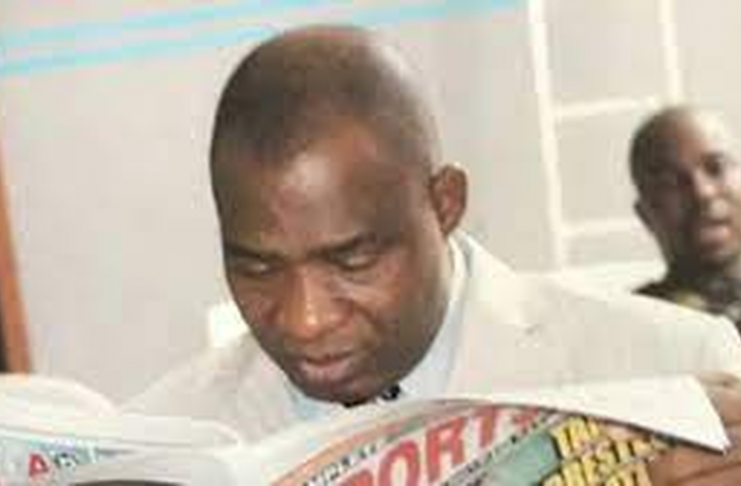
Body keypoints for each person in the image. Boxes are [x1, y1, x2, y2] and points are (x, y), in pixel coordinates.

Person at [129, 25, 741, 480]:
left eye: (352, 260)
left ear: (445, 203)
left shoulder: (671, 368)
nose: (306, 319)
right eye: (257, 267)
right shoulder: (163, 446)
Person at [631, 106, 741, 331]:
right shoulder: (632, 326)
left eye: (716, 168)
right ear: (645, 215)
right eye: (670, 182)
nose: (702, 193)